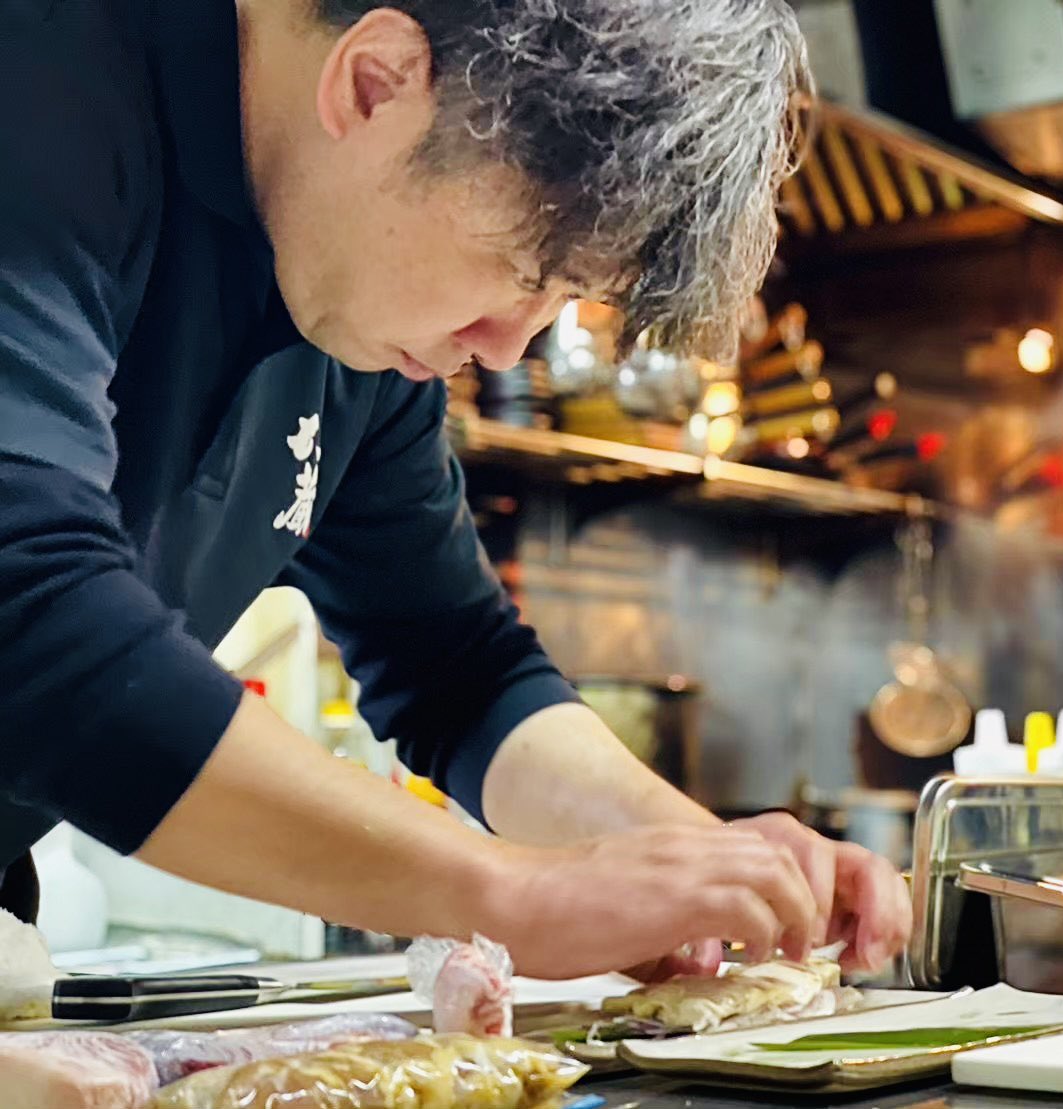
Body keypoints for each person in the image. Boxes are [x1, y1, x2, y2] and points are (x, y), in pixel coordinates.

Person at [0, 0, 911, 979]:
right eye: (519, 270)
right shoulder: (44, 74)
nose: (506, 347)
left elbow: (457, 668)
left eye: (560, 302)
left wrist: (707, 870)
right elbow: (29, 609)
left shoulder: (349, 295)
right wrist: (509, 894)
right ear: (374, 82)